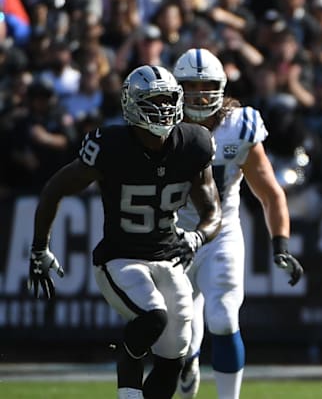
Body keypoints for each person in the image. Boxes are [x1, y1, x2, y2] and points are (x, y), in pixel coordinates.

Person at [27, 64, 222, 399]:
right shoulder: (111, 144)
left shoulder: (195, 142)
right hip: (120, 258)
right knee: (153, 316)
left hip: (169, 256)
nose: (163, 108)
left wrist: (198, 237)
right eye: (153, 99)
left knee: (176, 350)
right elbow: (54, 188)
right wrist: (39, 248)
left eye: (167, 98)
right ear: (132, 103)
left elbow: (212, 212)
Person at [172, 48, 304, 399]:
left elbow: (271, 193)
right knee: (177, 331)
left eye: (206, 86)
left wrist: (281, 245)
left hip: (220, 233)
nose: (199, 95)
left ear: (221, 88)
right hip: (173, 234)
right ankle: (189, 357)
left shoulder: (238, 127)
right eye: (191, 87)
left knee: (224, 315)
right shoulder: (162, 123)